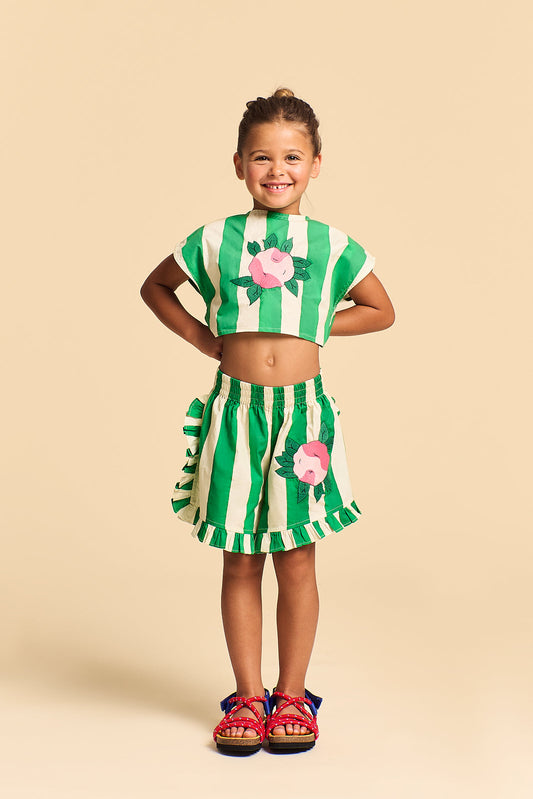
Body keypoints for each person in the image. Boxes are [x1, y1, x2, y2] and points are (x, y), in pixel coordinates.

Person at [140, 88, 395, 755]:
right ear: (238, 164)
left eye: (291, 157)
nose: (276, 170)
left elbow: (381, 309)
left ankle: (293, 693)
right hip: (237, 411)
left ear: (316, 164)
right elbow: (155, 287)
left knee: (297, 558)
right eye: (261, 157)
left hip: (302, 417)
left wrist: (315, 325)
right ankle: (248, 696)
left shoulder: (331, 245)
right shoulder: (214, 239)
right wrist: (202, 339)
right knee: (240, 558)